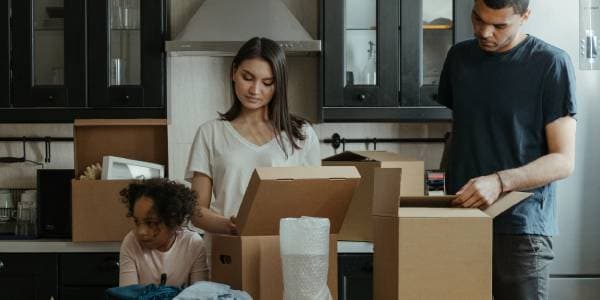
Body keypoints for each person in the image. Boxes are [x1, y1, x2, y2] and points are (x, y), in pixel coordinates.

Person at [436, 0, 577, 299]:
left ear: (525, 17)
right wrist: (437, 190)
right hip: (460, 221)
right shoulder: (459, 58)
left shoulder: (550, 64)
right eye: (477, 19)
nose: (485, 32)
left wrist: (499, 181)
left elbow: (563, 161)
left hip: (520, 230)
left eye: (499, 25)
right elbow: (461, 131)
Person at [185, 37, 321, 260]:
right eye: (247, 77)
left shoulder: (302, 135)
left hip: (282, 254)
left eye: (267, 83)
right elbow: (196, 211)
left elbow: (314, 204)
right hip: (227, 253)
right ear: (233, 72)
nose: (255, 90)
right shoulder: (210, 133)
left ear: (278, 85)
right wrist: (231, 225)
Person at [118, 178, 209, 287]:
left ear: (175, 222)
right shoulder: (131, 243)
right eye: (137, 222)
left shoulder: (193, 244)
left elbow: (200, 294)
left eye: (151, 223)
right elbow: (127, 294)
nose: (141, 232)